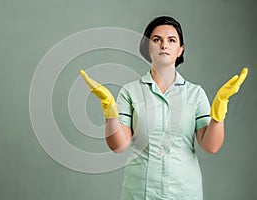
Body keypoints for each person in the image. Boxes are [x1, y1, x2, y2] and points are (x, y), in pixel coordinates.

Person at [80, 16, 248, 200]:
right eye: (156, 40)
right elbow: (119, 146)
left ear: (180, 50)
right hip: (139, 192)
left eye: (171, 40)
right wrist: (110, 113)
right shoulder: (131, 91)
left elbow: (211, 146)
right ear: (147, 47)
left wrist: (218, 114)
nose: (164, 45)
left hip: (184, 191)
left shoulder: (195, 93)